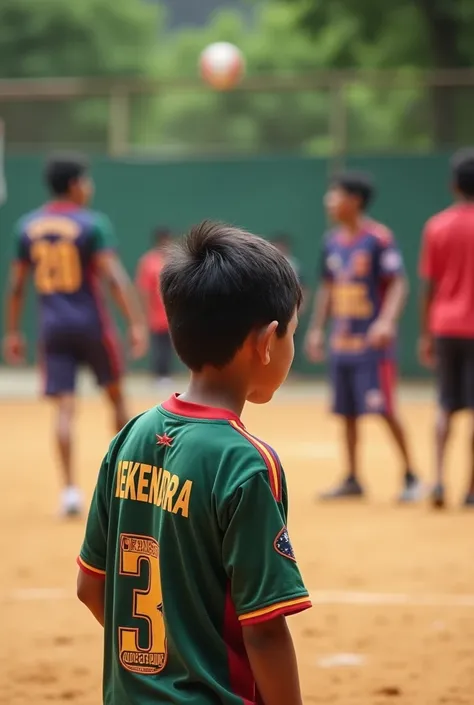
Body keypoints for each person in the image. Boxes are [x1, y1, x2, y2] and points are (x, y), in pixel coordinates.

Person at [76, 221, 311, 705]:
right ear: (267, 341)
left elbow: (90, 587)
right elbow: (265, 630)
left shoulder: (130, 436)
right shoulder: (246, 461)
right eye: (291, 333)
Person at [2, 154, 147, 517]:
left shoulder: (27, 226)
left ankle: (69, 491)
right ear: (74, 185)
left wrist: (14, 331)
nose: (90, 187)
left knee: (65, 409)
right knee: (116, 399)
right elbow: (113, 277)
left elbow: (17, 285)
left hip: (52, 328)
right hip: (92, 325)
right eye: (86, 181)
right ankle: (122, 484)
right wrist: (135, 322)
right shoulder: (92, 224)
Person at [305, 171, 421, 502]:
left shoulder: (379, 239)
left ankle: (411, 475)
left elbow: (399, 282)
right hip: (343, 342)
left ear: (354, 200)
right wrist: (316, 329)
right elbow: (328, 287)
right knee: (347, 412)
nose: (328, 200)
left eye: (335, 194)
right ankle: (353, 478)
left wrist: (385, 321)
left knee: (384, 408)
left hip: (372, 346)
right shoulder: (331, 241)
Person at [419, 148, 474, 509]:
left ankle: (438, 481)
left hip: (445, 326)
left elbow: (430, 286)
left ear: (453, 184)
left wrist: (425, 334)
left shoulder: (437, 225)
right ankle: (470, 490)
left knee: (444, 406)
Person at [135, 227, 174, 386]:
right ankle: (158, 375)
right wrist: (146, 311)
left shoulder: (174, 260)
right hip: (156, 312)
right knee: (159, 344)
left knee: (170, 346)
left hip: (173, 312)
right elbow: (144, 289)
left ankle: (167, 374)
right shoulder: (148, 262)